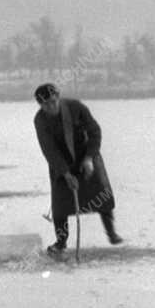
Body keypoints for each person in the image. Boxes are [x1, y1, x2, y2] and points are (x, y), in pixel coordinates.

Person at [33, 83, 122, 254]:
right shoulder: (40, 120)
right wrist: (65, 174)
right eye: (46, 105)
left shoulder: (76, 108)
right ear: (41, 105)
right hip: (61, 163)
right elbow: (49, 149)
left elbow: (95, 131)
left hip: (86, 156)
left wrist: (89, 158)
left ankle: (111, 232)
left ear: (58, 97)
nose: (51, 107)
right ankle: (61, 242)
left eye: (53, 101)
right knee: (60, 205)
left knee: (101, 195)